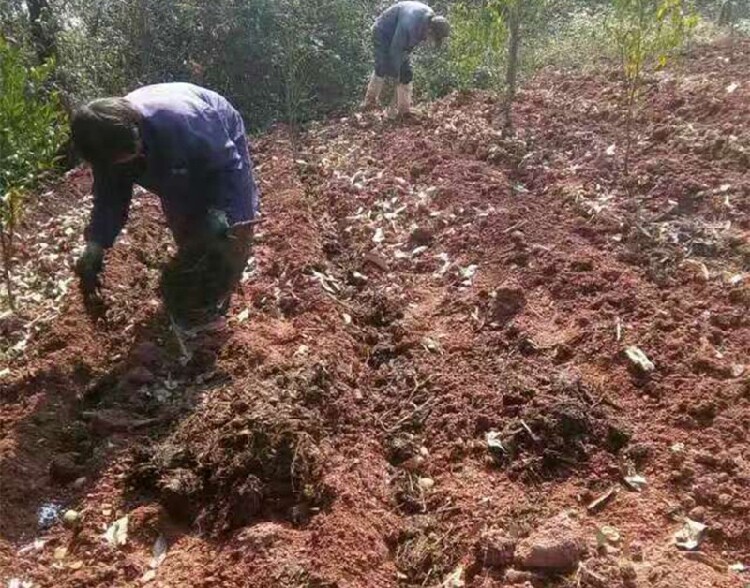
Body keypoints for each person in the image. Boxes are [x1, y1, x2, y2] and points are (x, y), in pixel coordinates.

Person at [71, 82, 260, 347]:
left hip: (214, 136)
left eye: (132, 149)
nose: (130, 157)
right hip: (170, 158)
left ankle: (216, 302)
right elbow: (109, 200)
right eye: (122, 159)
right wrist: (97, 243)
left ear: (134, 127)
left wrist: (220, 211)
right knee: (188, 228)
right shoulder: (106, 148)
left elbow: (226, 165)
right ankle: (194, 302)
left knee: (233, 227)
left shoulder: (182, 120)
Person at [362, 1, 450, 115]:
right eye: (433, 38)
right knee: (384, 66)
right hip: (383, 32)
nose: (431, 42)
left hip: (399, 37)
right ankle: (370, 104)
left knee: (406, 73)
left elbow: (405, 49)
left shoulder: (428, 22)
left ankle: (404, 110)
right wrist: (393, 80)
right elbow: (395, 51)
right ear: (430, 31)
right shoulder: (409, 24)